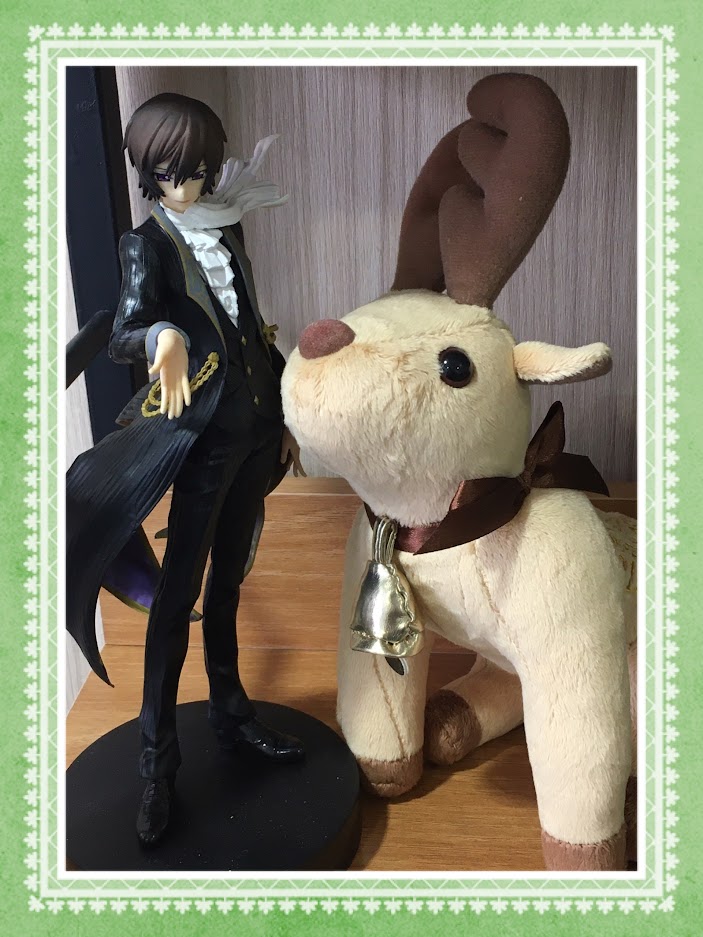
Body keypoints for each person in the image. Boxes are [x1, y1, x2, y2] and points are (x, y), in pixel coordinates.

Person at [67, 93, 304, 847]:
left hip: (254, 432)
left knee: (229, 584)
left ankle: (232, 716)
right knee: (176, 603)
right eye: (171, 173)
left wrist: (282, 416)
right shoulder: (145, 244)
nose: (186, 186)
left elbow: (249, 325)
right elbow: (123, 332)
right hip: (199, 445)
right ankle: (156, 765)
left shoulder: (226, 227)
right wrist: (161, 335)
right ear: (148, 172)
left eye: (197, 171)